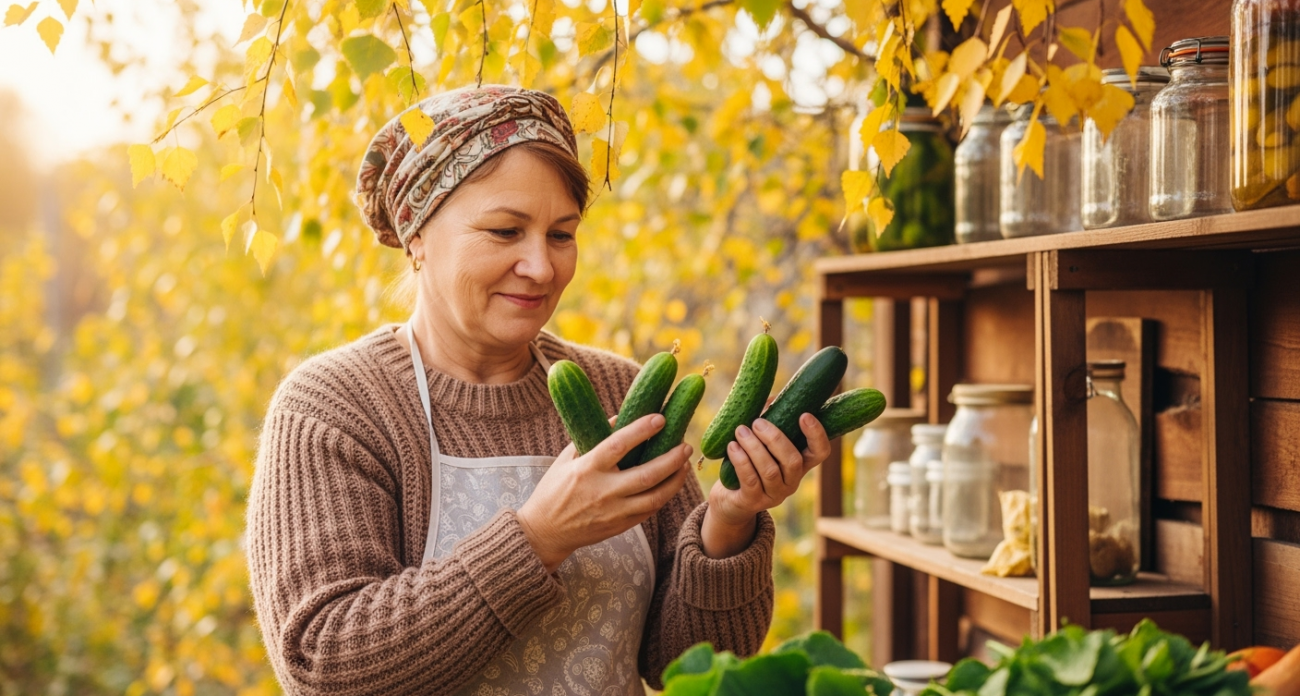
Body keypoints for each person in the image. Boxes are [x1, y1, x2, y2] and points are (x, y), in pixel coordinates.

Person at [246, 85, 832, 696]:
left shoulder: (622, 390)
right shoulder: (334, 407)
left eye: (561, 235)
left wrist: (730, 522)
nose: (542, 268)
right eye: (505, 231)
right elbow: (326, 666)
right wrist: (540, 538)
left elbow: (684, 663)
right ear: (417, 235)